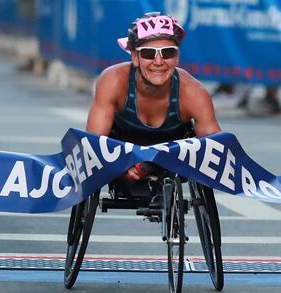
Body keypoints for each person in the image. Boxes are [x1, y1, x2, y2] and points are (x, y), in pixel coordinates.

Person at [85, 12, 221, 181]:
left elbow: (216, 149)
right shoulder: (112, 81)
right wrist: (118, 165)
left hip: (172, 156)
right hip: (120, 152)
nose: (158, 62)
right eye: (149, 53)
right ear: (135, 56)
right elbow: (93, 144)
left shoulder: (194, 93)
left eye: (168, 53)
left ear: (177, 57)